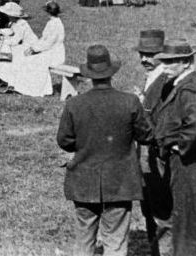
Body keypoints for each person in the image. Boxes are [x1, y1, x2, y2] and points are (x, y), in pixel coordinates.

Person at [56, 44, 151, 256]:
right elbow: (146, 135)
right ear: (111, 73)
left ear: (89, 75)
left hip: (83, 181)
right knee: (116, 242)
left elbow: (64, 140)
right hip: (120, 182)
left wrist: (82, 144)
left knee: (84, 238)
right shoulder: (130, 102)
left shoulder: (75, 104)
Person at [152, 39, 196, 255]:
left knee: (185, 224)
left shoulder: (189, 90)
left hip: (189, 165)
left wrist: (179, 146)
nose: (164, 67)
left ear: (186, 62)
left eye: (169, 63)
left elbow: (195, 122)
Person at [135, 29, 172, 256]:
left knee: (161, 211)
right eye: (142, 54)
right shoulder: (152, 77)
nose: (144, 59)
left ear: (162, 55)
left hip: (156, 156)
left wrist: (141, 107)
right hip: (145, 155)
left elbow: (162, 120)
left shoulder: (165, 81)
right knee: (149, 207)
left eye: (150, 54)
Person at [0, 1, 66, 97]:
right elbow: (44, 40)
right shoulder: (52, 22)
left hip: (54, 53)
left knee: (27, 60)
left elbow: (49, 42)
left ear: (48, 12)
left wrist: (34, 49)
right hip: (46, 49)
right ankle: (14, 84)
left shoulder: (55, 24)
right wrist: (34, 48)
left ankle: (30, 88)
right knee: (21, 56)